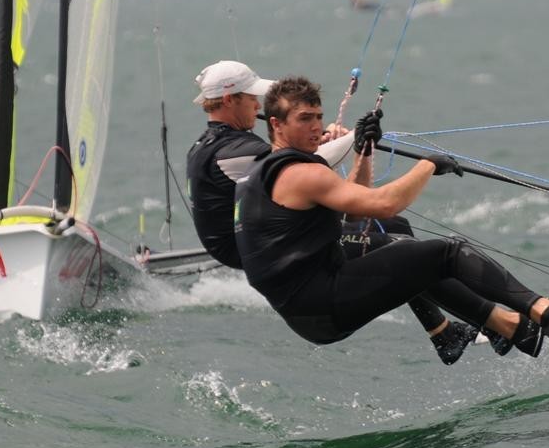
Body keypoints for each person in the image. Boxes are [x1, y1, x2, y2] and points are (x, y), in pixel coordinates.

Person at [234, 75, 549, 352]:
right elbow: (384, 204)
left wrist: (364, 149)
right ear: (276, 124)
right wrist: (428, 165)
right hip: (322, 303)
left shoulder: (271, 170)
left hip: (310, 307)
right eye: (303, 119)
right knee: (447, 252)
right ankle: (545, 313)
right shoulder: (300, 173)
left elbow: (357, 204)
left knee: (406, 252)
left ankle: (512, 328)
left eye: (318, 117)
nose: (316, 127)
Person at [186, 60, 478, 364]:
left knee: (395, 224)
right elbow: (291, 172)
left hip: (263, 230)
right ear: (230, 100)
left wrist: (316, 138)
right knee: (395, 245)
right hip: (260, 244)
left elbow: (292, 161)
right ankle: (477, 324)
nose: (257, 105)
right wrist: (354, 138)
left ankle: (442, 332)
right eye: (251, 100)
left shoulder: (215, 142)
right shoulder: (236, 150)